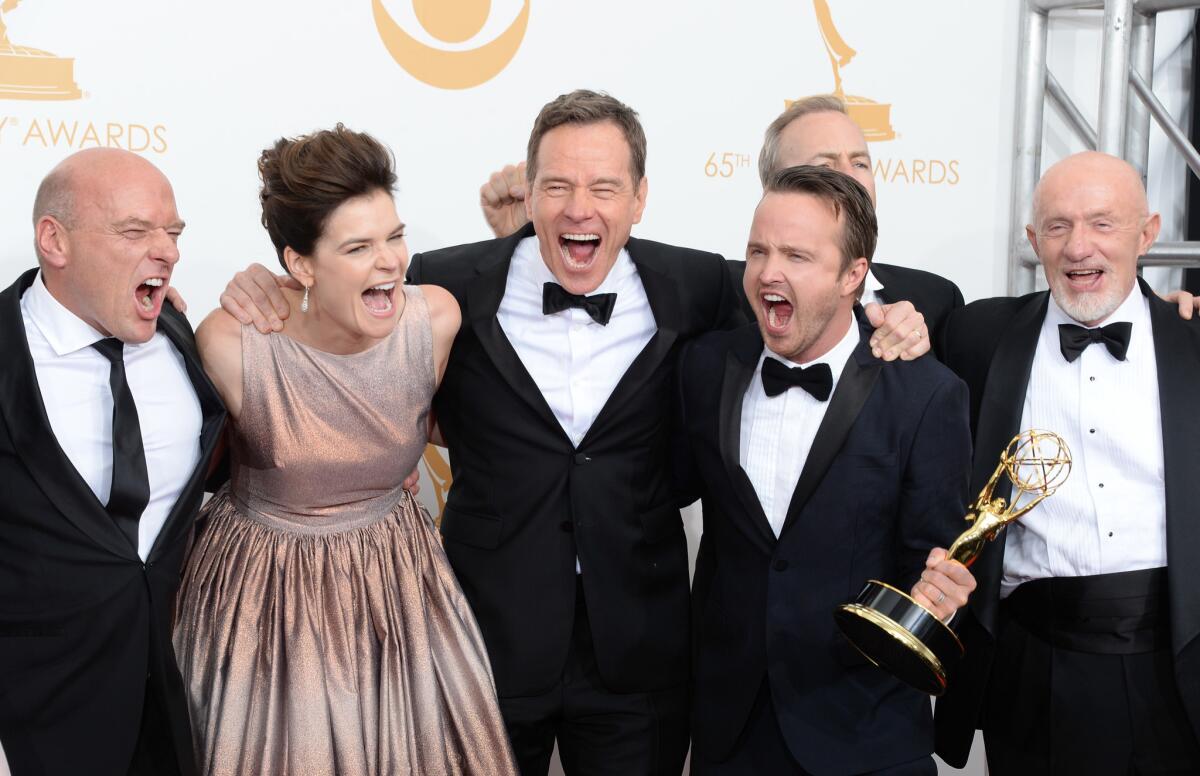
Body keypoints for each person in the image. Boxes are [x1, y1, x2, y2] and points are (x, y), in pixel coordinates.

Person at [217, 91, 930, 776]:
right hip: (479, 643)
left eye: (604, 187)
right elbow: (337, 327)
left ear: (641, 198)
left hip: (640, 656)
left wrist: (888, 315)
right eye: (556, 186)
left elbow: (809, 300)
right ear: (528, 195)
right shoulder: (444, 284)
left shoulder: (701, 287)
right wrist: (268, 283)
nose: (579, 208)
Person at [171, 125, 517, 776]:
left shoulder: (435, 321)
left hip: (400, 592)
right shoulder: (234, 343)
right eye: (358, 247)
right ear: (299, 264)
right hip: (265, 600)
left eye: (394, 237)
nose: (390, 261)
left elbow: (478, 416)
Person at [676, 165, 975, 775]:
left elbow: (933, 562)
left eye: (797, 255)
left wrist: (944, 596)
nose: (768, 271)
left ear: (853, 276)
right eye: (758, 250)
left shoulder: (926, 393)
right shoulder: (705, 367)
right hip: (730, 730)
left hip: (864, 730)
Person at [934, 151, 1200, 774]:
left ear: (1147, 232)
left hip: (1172, 659)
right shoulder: (977, 336)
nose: (1079, 246)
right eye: (1058, 226)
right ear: (1033, 241)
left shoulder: (1192, 344)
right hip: (1030, 662)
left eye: (1103, 223)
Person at [0, 148, 225, 776]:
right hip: (35, 718)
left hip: (177, 707)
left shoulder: (183, 336)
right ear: (55, 241)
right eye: (135, 231)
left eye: (173, 233)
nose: (168, 251)